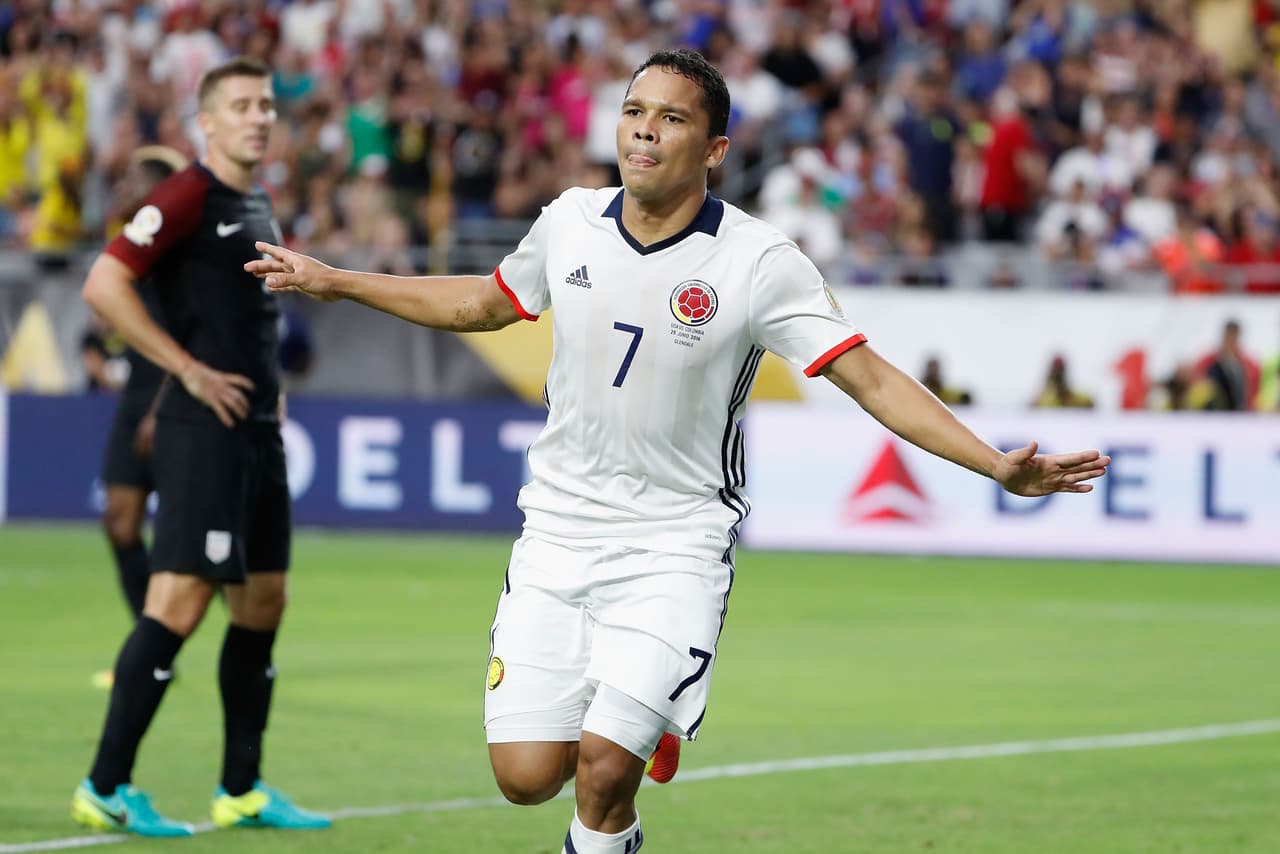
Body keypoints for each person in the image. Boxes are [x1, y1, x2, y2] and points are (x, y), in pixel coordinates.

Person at [247, 49, 1109, 853]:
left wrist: (993, 463)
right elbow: (482, 304)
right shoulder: (571, 224)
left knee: (602, 772)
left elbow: (871, 379)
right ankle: (647, 723)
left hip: (674, 544)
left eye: (671, 118)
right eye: (632, 112)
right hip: (556, 535)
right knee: (525, 779)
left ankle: (633, 739)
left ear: (717, 147)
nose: (645, 130)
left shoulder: (759, 263)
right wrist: (336, 279)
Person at [73, 57, 329, 837]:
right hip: (203, 432)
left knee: (263, 601)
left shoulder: (254, 199)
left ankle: (241, 788)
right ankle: (106, 787)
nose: (258, 117)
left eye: (264, 104)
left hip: (257, 432)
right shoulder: (183, 194)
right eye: (241, 106)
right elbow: (103, 283)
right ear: (206, 121)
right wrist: (185, 368)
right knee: (179, 602)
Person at [87, 145, 188, 691]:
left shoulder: (176, 258)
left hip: (168, 401)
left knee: (187, 546)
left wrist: (160, 409)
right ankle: (146, 643)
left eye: (133, 179)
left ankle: (159, 646)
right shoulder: (129, 254)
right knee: (120, 523)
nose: (122, 184)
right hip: (134, 406)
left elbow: (190, 337)